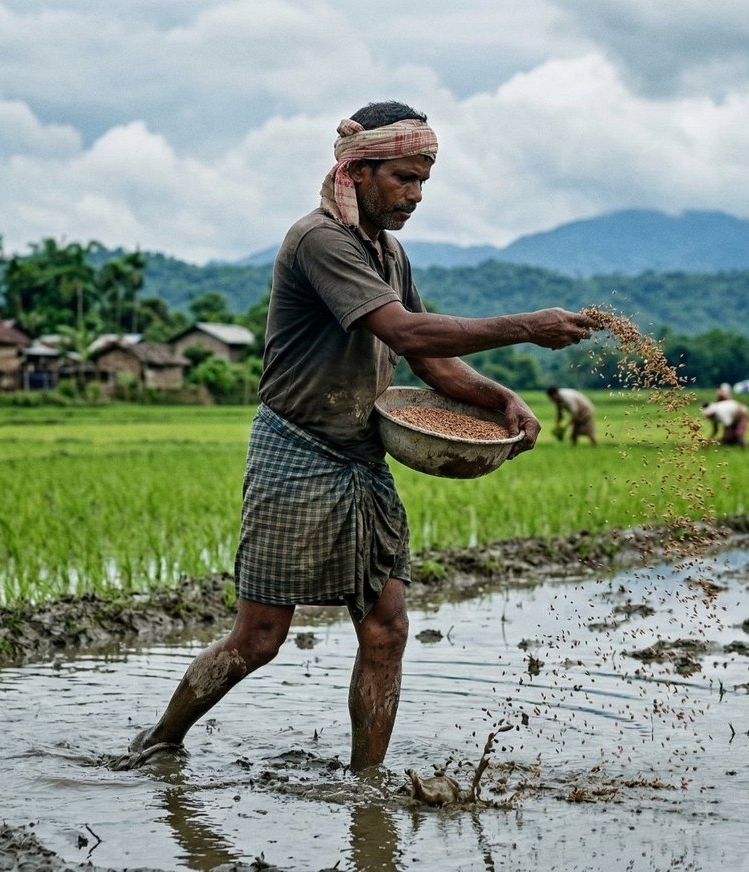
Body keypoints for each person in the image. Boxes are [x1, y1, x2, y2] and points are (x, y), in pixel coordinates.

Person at [119, 101, 598, 773]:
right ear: (360, 170)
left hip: (361, 454)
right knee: (258, 639)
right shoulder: (321, 240)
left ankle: (364, 783)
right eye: (405, 179)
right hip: (296, 448)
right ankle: (160, 740)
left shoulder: (388, 251)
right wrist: (526, 326)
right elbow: (404, 332)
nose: (416, 195)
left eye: (424, 181)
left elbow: (427, 360)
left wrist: (500, 398)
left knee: (386, 627)